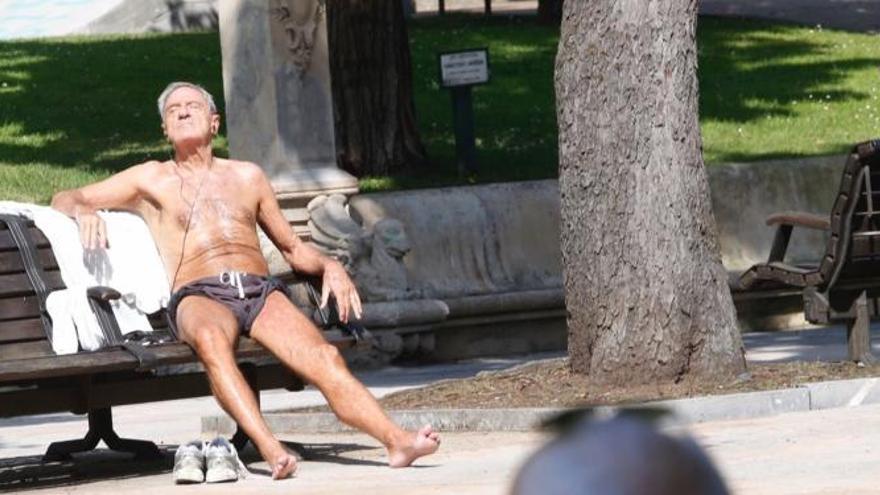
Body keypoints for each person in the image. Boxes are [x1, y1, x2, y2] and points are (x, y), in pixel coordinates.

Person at [51, 81, 440, 480]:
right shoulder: (150, 178)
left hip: (259, 290)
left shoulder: (248, 176)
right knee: (211, 343)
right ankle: (271, 449)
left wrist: (330, 266)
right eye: (173, 111)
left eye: (192, 106)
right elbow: (64, 197)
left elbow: (291, 247)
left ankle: (398, 442)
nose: (183, 112)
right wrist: (84, 211)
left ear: (214, 122)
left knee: (324, 357)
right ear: (165, 130)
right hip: (199, 293)